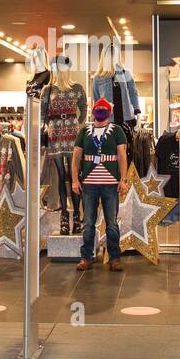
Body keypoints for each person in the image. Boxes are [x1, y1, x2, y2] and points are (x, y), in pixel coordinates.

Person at [71, 97, 129, 272]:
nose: (101, 112)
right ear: (93, 111)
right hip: (89, 185)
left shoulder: (117, 130)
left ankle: (114, 257)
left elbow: (122, 156)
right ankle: (86, 257)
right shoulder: (84, 131)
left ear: (109, 113)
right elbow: (76, 158)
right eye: (98, 109)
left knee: (112, 223)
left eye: (104, 109)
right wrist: (75, 180)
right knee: (88, 222)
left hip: (110, 184)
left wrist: (123, 180)